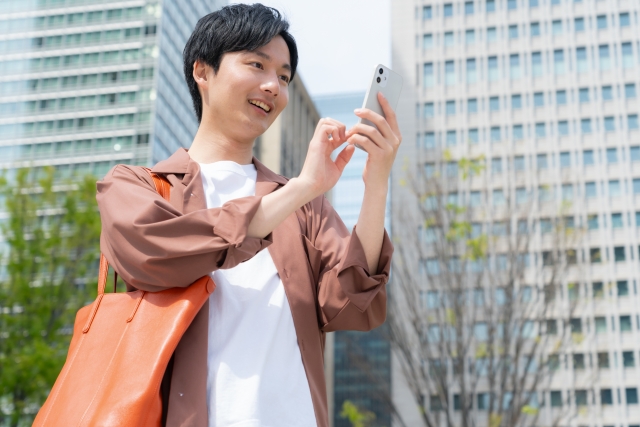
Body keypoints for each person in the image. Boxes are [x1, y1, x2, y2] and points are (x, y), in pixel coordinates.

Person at [96, 3, 401, 427]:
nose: (273, 85)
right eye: (256, 64)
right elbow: (150, 256)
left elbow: (353, 303)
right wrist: (301, 188)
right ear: (203, 72)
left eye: (283, 76)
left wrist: (377, 184)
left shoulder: (304, 206)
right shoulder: (138, 185)